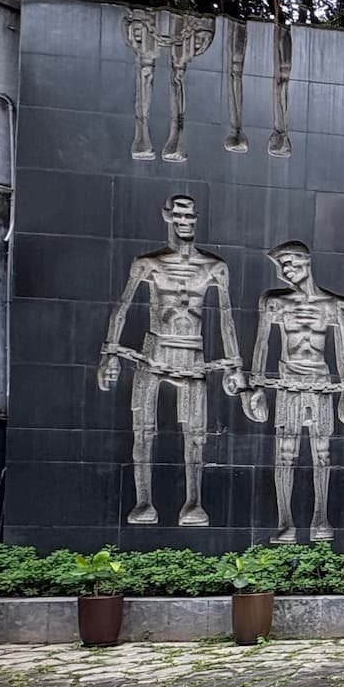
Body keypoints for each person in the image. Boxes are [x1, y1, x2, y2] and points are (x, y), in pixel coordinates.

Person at [98, 194, 244, 527]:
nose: (184, 221)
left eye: (189, 215)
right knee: (143, 429)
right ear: (167, 217)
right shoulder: (148, 263)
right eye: (178, 215)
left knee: (195, 433)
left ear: (196, 217)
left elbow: (227, 318)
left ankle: (194, 502)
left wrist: (234, 365)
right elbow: (122, 307)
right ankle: (144, 501)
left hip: (193, 350)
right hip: (156, 348)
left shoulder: (214, 267)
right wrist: (110, 354)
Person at [242, 242, 344, 542]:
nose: (285, 271)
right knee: (285, 452)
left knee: (322, 453)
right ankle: (285, 521)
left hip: (321, 382)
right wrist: (256, 387)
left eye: (290, 264)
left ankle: (321, 518)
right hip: (289, 381)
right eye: (282, 267)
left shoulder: (335, 305)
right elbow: (262, 344)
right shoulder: (276, 302)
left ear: (305, 262)